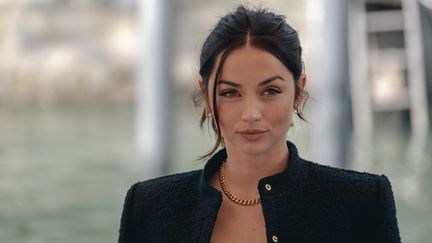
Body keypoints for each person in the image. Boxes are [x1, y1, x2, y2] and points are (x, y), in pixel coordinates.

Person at [118, 5, 401, 243]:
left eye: (270, 91)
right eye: (230, 93)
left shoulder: (363, 202)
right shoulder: (148, 205)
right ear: (206, 95)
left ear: (298, 92)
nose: (251, 113)